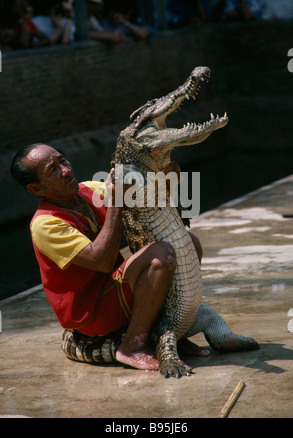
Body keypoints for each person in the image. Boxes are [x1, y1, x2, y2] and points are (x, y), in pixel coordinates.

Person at [10, 144, 208, 371]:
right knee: (161, 254)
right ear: (35, 189)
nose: (65, 170)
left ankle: (171, 335)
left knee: (188, 243)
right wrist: (116, 202)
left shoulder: (88, 190)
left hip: (115, 290)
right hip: (91, 312)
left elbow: (143, 197)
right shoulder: (45, 224)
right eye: (52, 170)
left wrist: (166, 182)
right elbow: (102, 261)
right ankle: (133, 345)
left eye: (62, 160)